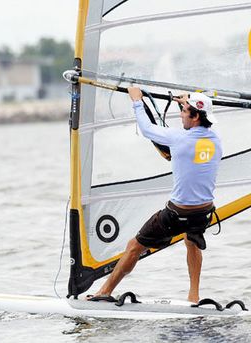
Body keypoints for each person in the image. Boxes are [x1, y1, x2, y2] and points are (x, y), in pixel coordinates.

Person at [87, 87, 222, 304]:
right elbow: (195, 125)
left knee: (134, 246)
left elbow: (147, 128)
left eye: (184, 111)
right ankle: (193, 295)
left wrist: (137, 101)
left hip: (176, 214)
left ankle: (104, 291)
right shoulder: (216, 138)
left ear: (195, 117)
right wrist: (186, 102)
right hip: (204, 213)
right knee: (191, 241)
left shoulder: (178, 138)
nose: (180, 114)